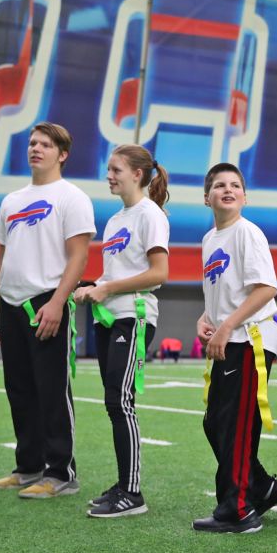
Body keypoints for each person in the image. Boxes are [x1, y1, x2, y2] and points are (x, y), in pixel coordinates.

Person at [0, 122, 95, 498]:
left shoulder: (72, 197)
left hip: (46, 301)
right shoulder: (12, 201)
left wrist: (57, 302)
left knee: (52, 389)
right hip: (11, 302)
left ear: (61, 154)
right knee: (19, 389)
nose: (36, 149)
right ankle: (28, 467)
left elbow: (79, 256)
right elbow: (1, 257)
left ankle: (61, 472)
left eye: (45, 145)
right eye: (32, 142)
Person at [73, 145, 170, 518]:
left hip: (134, 315)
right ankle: (123, 484)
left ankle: (132, 493)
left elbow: (159, 273)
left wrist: (107, 288)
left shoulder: (151, 215)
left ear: (137, 174)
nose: (109, 175)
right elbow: (115, 274)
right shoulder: (116, 220)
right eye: (109, 169)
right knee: (113, 401)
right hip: (108, 317)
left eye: (116, 169)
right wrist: (92, 286)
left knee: (121, 400)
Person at [193, 162, 277, 533]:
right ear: (207, 197)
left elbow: (266, 288)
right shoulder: (208, 239)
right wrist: (206, 317)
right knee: (215, 422)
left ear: (244, 197)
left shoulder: (248, 233)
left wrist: (228, 325)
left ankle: (238, 509)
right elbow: (224, 289)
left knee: (235, 426)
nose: (227, 190)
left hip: (250, 339)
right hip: (226, 339)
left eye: (235, 185)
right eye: (219, 185)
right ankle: (261, 486)